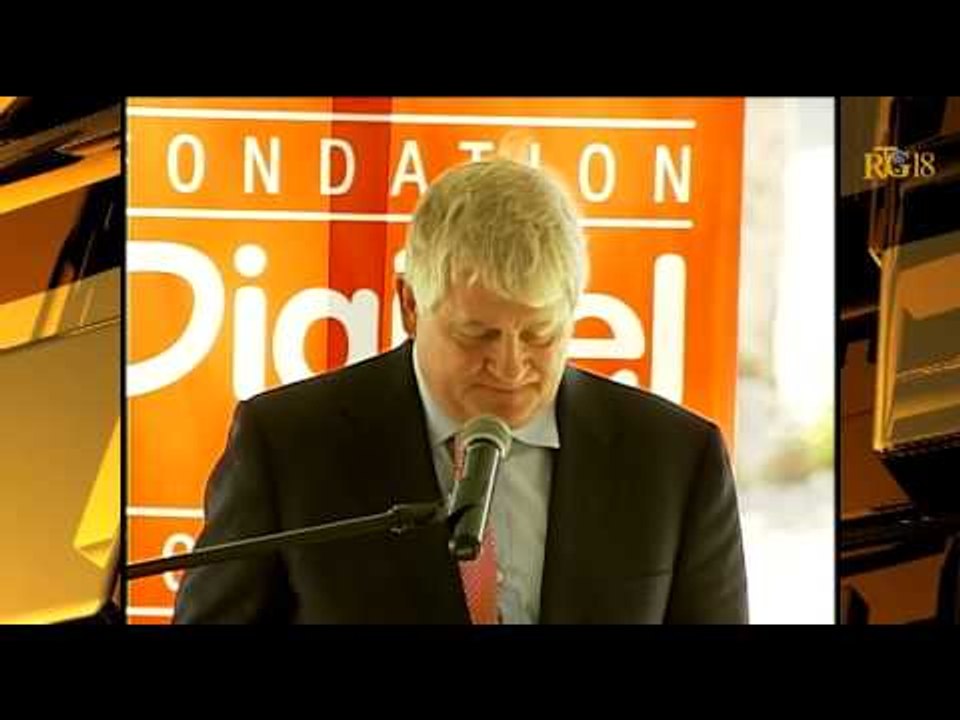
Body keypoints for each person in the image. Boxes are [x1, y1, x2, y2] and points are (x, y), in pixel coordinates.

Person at [173, 158, 748, 624]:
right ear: (409, 304)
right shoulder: (289, 446)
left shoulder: (674, 459)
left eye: (540, 333)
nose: (510, 365)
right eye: (477, 334)